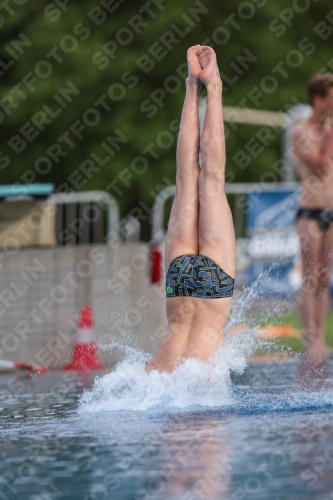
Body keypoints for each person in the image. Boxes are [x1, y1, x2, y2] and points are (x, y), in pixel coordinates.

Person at [146, 45, 235, 373]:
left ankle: (207, 88)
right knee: (191, 179)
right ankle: (197, 84)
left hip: (194, 295)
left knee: (205, 180)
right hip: (181, 276)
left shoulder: (155, 374)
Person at [292, 74, 333, 366]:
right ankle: (312, 341)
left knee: (325, 278)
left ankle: (322, 339)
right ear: (319, 100)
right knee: (310, 277)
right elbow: (319, 165)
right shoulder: (300, 132)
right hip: (309, 213)